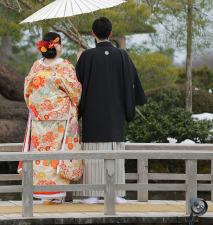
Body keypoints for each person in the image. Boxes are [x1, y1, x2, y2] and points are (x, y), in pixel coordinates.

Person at [75, 17, 146, 204]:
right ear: (111, 33)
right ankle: (115, 193)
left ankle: (91, 195)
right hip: (116, 112)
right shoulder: (122, 55)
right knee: (115, 151)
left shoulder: (87, 56)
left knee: (92, 152)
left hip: (92, 112)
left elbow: (76, 87)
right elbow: (133, 83)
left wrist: (79, 61)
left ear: (93, 34)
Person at [21, 32, 83, 204]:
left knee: (41, 155)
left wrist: (39, 106)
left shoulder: (36, 67)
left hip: (40, 119)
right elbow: (76, 91)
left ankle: (44, 194)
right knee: (57, 155)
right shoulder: (65, 66)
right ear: (58, 46)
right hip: (60, 120)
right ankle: (55, 195)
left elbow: (27, 93)